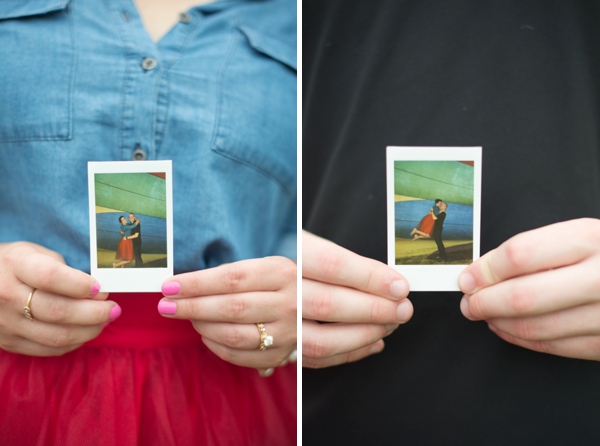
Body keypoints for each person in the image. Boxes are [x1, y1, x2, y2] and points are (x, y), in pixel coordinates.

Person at [303, 0, 600, 444]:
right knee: (434, 240)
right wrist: (275, 237)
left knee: (436, 240)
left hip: (569, 395)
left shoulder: (439, 210)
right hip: (337, 384)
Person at [0, 0, 297, 444]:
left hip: (228, 385)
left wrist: (297, 289)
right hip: (22, 373)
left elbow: (323, 204)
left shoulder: (302, 20)